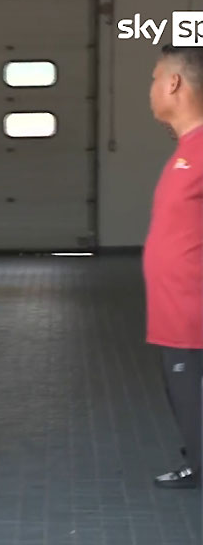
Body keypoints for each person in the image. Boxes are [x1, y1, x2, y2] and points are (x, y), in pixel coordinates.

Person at [144, 45, 203, 489]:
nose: (150, 88)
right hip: (176, 310)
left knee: (188, 393)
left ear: (174, 83)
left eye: (154, 78)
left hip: (192, 310)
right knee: (182, 393)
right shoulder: (187, 149)